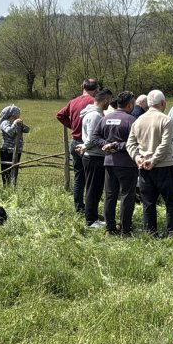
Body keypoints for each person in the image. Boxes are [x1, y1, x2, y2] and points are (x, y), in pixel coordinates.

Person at [127, 90, 173, 237]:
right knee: (172, 201)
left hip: (144, 166)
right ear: (163, 103)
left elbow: (130, 144)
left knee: (148, 202)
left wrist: (137, 158)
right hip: (164, 166)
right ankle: (172, 232)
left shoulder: (138, 120)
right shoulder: (166, 120)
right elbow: (165, 144)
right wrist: (154, 159)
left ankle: (150, 232)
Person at [93, 91, 139, 236]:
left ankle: (110, 228)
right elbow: (136, 142)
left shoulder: (106, 118)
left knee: (110, 195)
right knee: (127, 196)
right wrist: (116, 145)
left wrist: (106, 145)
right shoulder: (131, 120)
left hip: (109, 162)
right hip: (127, 163)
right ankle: (126, 229)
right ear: (130, 105)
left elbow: (95, 136)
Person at [56, 77, 100, 213]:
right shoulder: (94, 102)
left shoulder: (73, 101)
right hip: (89, 144)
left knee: (79, 177)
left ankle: (79, 206)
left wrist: (73, 126)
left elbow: (60, 115)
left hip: (75, 142)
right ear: (97, 89)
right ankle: (91, 209)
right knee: (92, 178)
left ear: (83, 87)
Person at [77, 88, 114, 229]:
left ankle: (93, 216)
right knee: (93, 189)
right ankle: (91, 220)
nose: (109, 103)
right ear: (105, 100)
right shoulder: (95, 116)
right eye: (109, 100)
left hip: (94, 155)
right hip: (94, 156)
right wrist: (85, 146)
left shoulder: (96, 114)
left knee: (95, 188)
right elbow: (93, 137)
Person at [0, 105, 30, 187]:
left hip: (17, 150)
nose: (19, 115)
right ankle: (6, 187)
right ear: (13, 114)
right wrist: (15, 123)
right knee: (7, 170)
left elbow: (27, 130)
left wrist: (21, 124)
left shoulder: (16, 123)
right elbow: (10, 132)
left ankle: (13, 186)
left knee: (14, 169)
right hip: (7, 150)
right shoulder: (5, 123)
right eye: (18, 113)